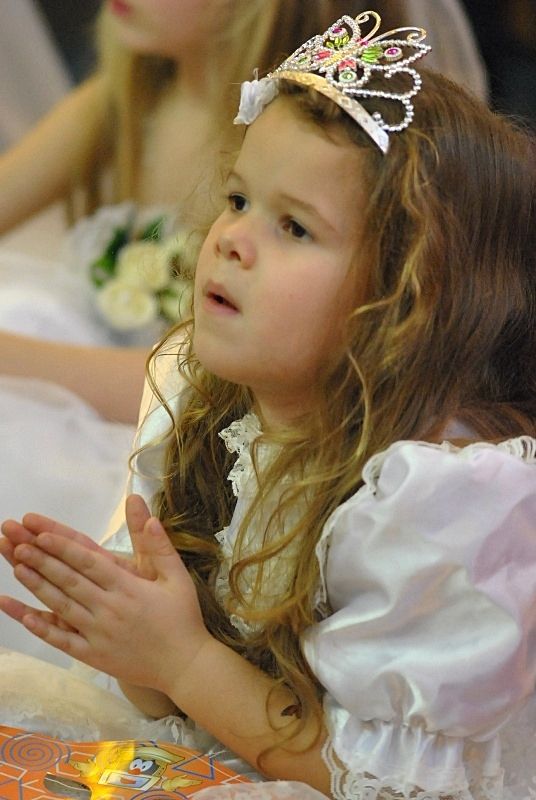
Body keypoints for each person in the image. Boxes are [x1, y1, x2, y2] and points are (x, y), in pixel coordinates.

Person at [3, 7, 534, 800]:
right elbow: (166, 697)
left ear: (405, 301)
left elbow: (392, 780)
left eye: (294, 226)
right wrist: (132, 633)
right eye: (238, 198)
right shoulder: (198, 403)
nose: (229, 238)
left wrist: (183, 658)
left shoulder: (433, 502)